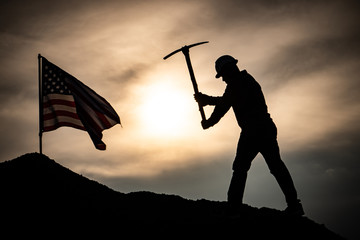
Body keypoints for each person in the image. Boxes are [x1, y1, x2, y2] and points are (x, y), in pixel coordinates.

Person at [194, 55, 304, 216]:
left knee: (240, 168)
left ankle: (233, 206)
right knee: (275, 166)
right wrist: (207, 101)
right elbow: (228, 100)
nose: (223, 79)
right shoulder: (245, 81)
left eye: (223, 75)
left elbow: (225, 104)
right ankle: (294, 205)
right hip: (265, 128)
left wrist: (209, 120)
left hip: (253, 131)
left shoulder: (236, 84)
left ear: (228, 70)